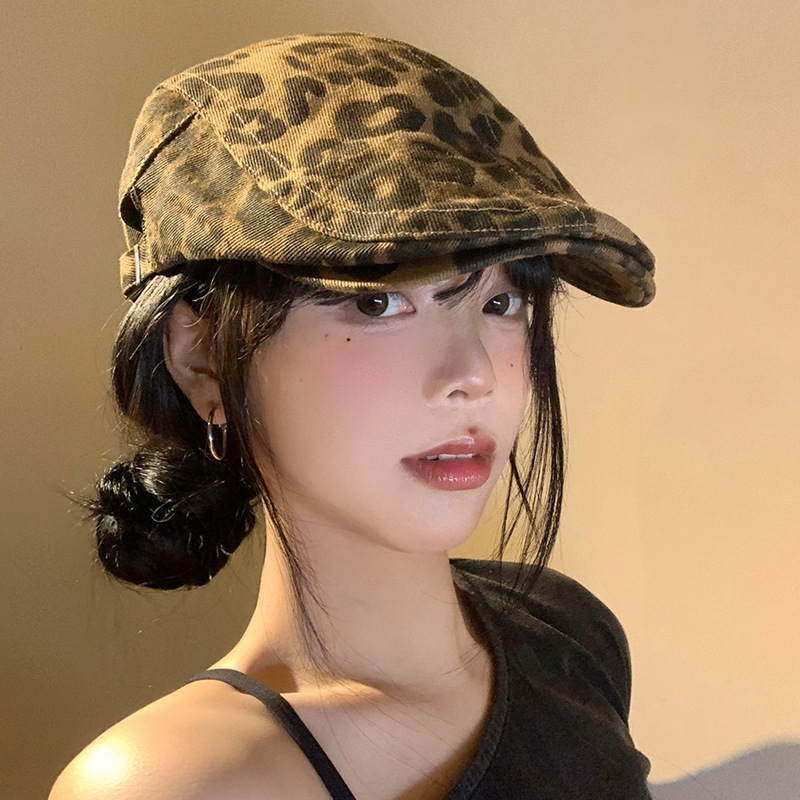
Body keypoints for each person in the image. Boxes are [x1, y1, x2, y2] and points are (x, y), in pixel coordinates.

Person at [50, 31, 656, 800]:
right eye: (378, 303)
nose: (472, 375)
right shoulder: (178, 784)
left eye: (502, 302)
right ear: (202, 358)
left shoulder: (567, 633)